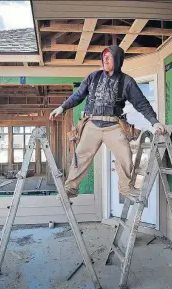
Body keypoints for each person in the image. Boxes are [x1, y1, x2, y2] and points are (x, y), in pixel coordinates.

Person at [49, 45, 165, 198]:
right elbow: (77, 96)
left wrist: (154, 121)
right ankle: (70, 188)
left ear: (118, 60)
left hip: (113, 126)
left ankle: (125, 188)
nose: (106, 59)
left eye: (110, 56)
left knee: (125, 154)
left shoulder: (127, 82)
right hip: (92, 124)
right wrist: (62, 107)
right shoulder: (93, 77)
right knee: (81, 155)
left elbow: (141, 103)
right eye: (104, 56)